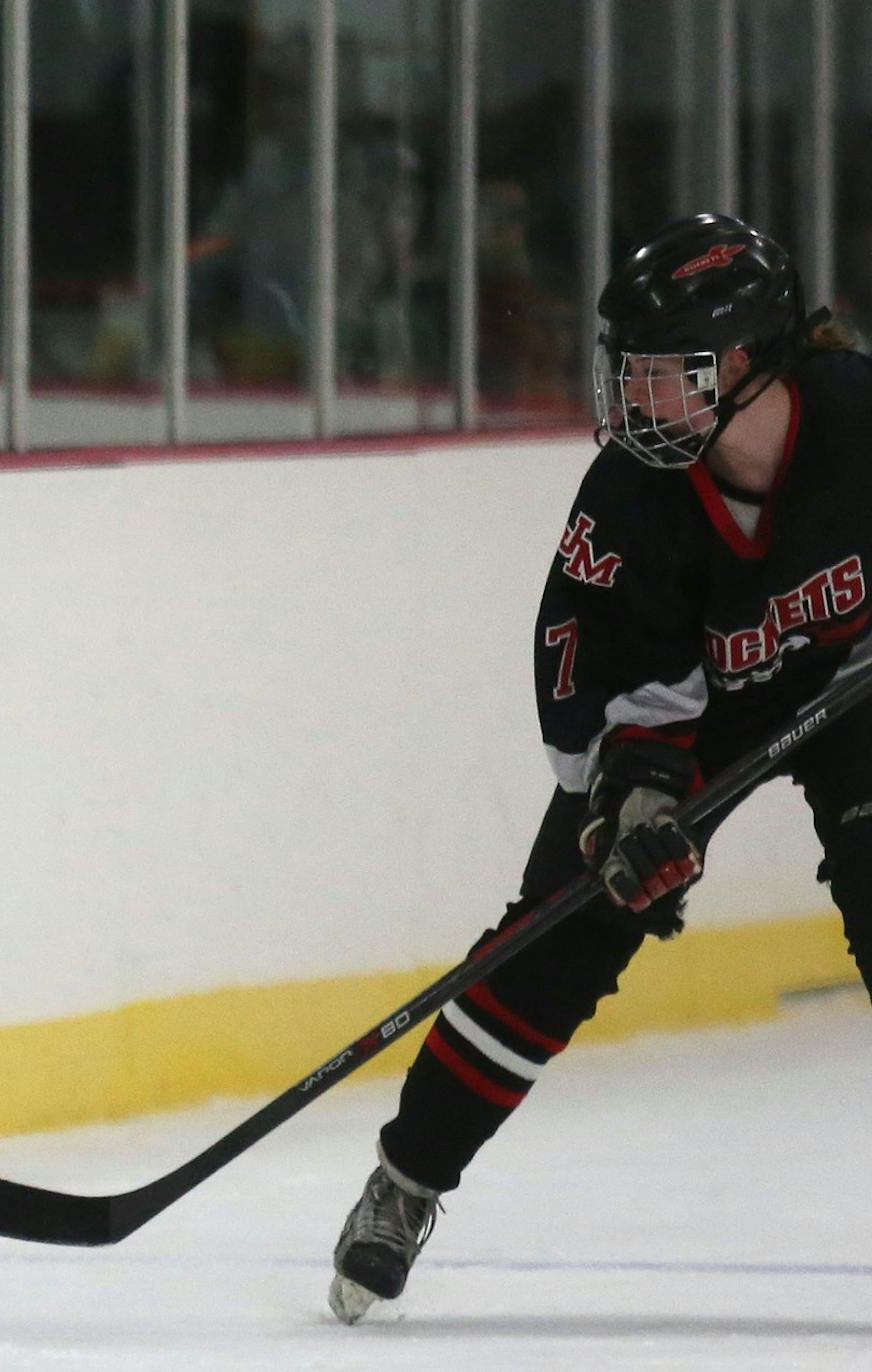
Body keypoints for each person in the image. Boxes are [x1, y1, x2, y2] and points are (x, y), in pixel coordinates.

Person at [328, 213, 872, 1324]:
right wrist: (636, 798)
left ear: (751, 361)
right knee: (563, 930)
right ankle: (408, 1177)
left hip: (855, 690)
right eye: (629, 376)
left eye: (668, 377)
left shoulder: (861, 420)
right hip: (694, 714)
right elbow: (601, 660)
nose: (636, 404)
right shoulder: (633, 492)